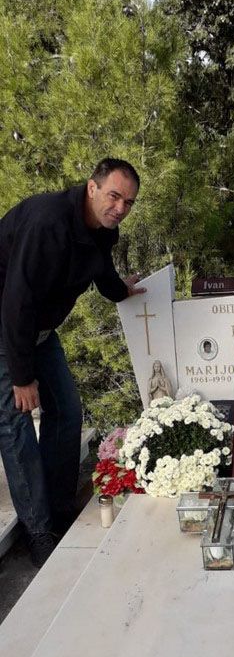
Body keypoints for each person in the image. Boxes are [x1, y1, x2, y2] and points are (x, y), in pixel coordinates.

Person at [0, 157, 146, 567]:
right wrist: (23, 377)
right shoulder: (47, 223)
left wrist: (121, 290)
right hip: (6, 325)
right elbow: (16, 301)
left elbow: (101, 269)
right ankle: (38, 531)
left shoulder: (102, 228)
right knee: (15, 425)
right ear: (92, 187)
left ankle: (59, 510)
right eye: (114, 196)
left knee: (66, 410)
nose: (120, 208)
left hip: (40, 329)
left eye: (128, 202)